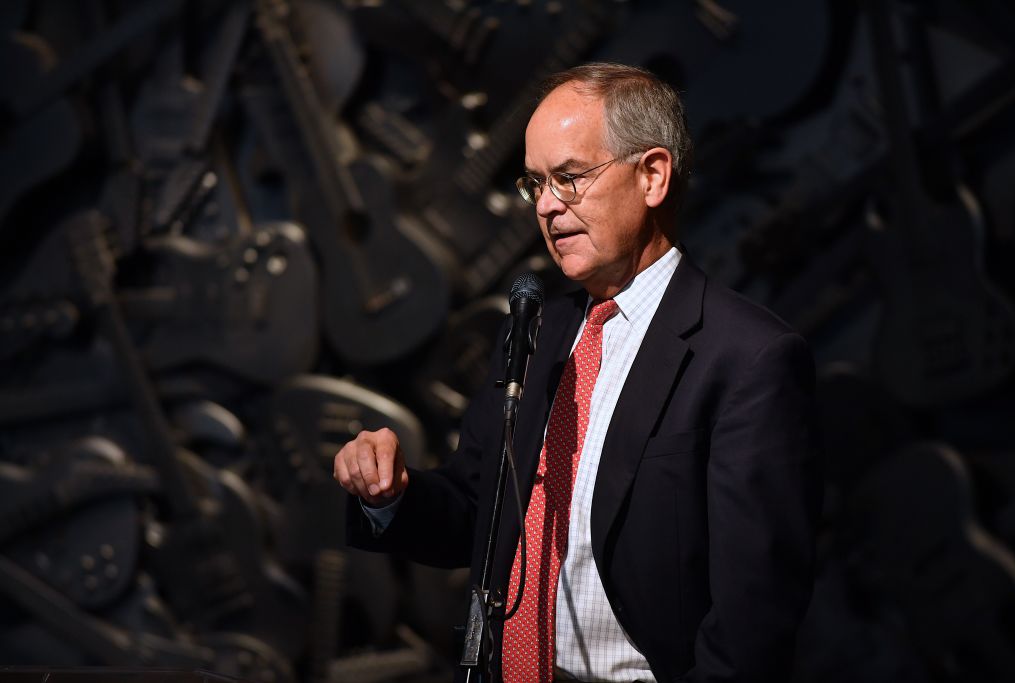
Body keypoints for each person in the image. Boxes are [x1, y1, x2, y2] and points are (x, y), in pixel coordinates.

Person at [334, 62, 821, 682]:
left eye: (569, 179)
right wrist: (393, 494)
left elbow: (756, 610)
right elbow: (477, 516)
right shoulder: (534, 329)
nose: (546, 207)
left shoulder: (748, 358)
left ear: (651, 175)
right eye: (534, 184)